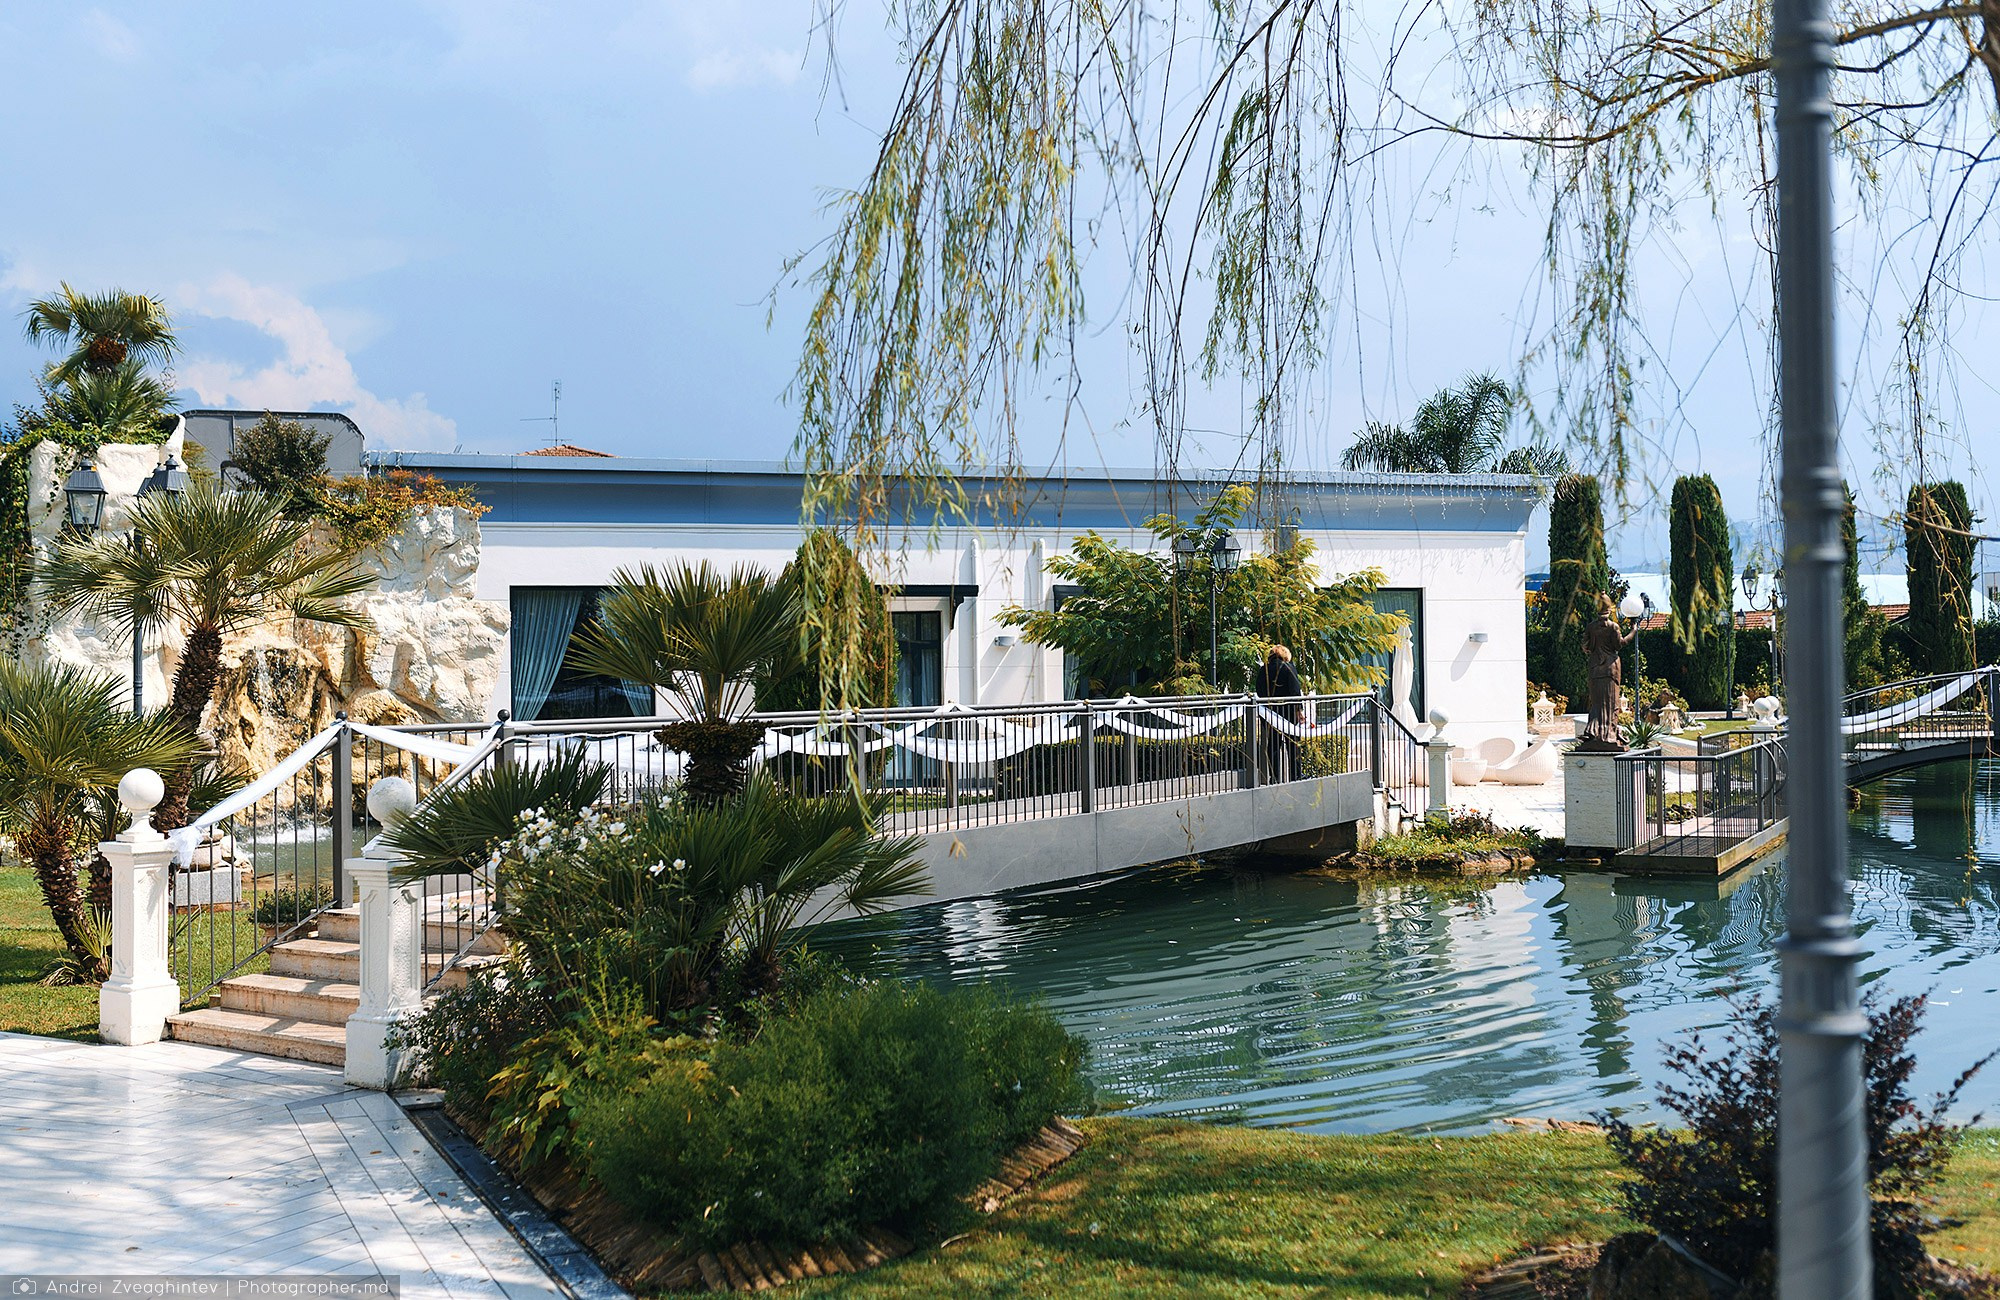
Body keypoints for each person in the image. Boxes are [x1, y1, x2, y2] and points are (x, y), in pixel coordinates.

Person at [1578, 594, 1640, 751]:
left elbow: (1585, 646)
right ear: (1610, 608)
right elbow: (1620, 644)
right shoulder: (1613, 626)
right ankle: (1608, 734)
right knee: (1611, 703)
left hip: (1594, 669)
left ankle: (1594, 733)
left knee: (1596, 703)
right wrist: (1633, 630)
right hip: (1610, 669)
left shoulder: (1591, 627)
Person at [1254, 644, 1303, 780]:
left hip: (1269, 713)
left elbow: (1259, 690)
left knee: (1274, 746)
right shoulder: (1288, 667)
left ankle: (1275, 777)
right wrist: (1300, 710)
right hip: (1288, 712)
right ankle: (1296, 776)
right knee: (1293, 744)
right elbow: (1295, 691)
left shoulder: (1264, 670)